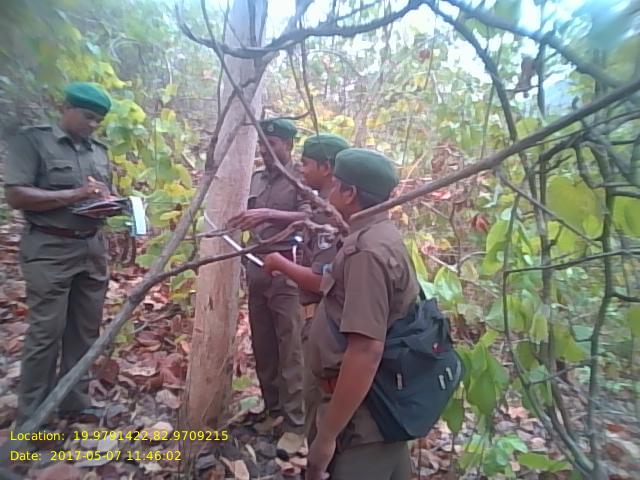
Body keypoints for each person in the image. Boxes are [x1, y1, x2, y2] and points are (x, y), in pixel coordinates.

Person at [303, 148, 420, 480]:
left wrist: (327, 436)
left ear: (350, 193)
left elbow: (366, 350)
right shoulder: (381, 234)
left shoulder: (366, 253)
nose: (329, 191)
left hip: (362, 421)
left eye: (335, 185)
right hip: (375, 407)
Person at [4, 82, 114, 426]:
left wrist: (109, 202)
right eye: (87, 116)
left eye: (98, 120)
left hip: (91, 248)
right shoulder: (33, 141)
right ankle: (33, 415)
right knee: (46, 333)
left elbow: (101, 193)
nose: (92, 125)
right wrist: (76, 195)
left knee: (85, 330)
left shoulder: (99, 152)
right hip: (49, 249)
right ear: (65, 108)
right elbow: (16, 195)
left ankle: (75, 400)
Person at [262, 133, 349, 442]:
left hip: (324, 318)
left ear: (326, 169)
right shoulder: (318, 206)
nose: (301, 168)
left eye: (307, 163)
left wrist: (281, 264)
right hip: (316, 312)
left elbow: (322, 279)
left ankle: (308, 442)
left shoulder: (328, 214)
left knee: (316, 388)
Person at [228, 118, 311, 435]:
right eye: (262, 143)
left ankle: (295, 424)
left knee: (290, 347)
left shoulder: (301, 179)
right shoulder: (256, 179)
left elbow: (312, 216)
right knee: (263, 344)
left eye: (272, 144)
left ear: (288, 145)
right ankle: (272, 409)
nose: (265, 150)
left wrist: (269, 214)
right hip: (256, 265)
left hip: (287, 268)